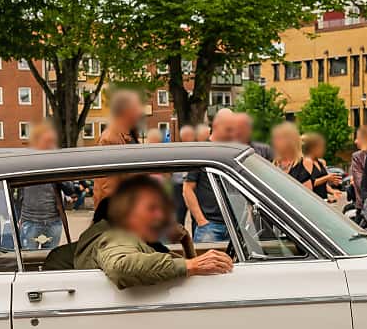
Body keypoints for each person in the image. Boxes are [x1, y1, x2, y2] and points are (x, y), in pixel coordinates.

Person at [75, 175, 233, 289]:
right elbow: (120, 266)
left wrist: (185, 240)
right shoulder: (115, 237)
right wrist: (190, 265)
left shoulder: (131, 238)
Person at [91, 91, 145, 206]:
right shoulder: (110, 138)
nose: (140, 112)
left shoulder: (129, 134)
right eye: (136, 108)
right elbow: (108, 185)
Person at [16, 125, 66, 249]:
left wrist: (59, 174)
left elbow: (69, 189)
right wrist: (17, 217)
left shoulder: (56, 163)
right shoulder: (25, 164)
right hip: (30, 221)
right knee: (28, 261)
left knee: (51, 260)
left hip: (53, 221)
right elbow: (17, 193)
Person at [298, 133, 340, 203]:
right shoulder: (307, 161)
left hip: (322, 200)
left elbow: (323, 185)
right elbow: (308, 184)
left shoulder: (321, 162)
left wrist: (332, 191)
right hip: (312, 201)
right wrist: (327, 178)